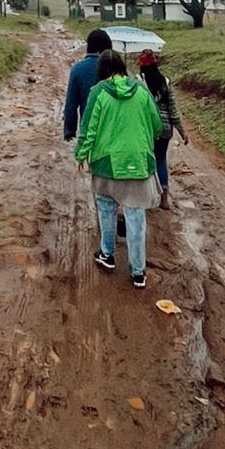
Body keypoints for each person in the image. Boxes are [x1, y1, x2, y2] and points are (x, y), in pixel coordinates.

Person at [74, 50, 164, 288]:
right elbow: (157, 124)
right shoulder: (142, 91)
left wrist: (81, 154)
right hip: (138, 163)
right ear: (123, 68)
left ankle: (107, 254)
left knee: (106, 207)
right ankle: (138, 272)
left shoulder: (98, 94)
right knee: (136, 216)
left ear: (101, 71)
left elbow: (88, 129)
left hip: (106, 162)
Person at [137, 50, 188, 211]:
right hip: (165, 127)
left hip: (146, 127)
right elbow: (172, 108)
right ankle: (164, 197)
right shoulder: (165, 82)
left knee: (146, 161)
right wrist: (182, 131)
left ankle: (145, 197)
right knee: (160, 160)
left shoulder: (138, 83)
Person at [62, 28, 113, 141]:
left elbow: (71, 104)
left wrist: (69, 131)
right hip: (114, 126)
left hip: (89, 128)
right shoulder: (116, 66)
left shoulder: (78, 69)